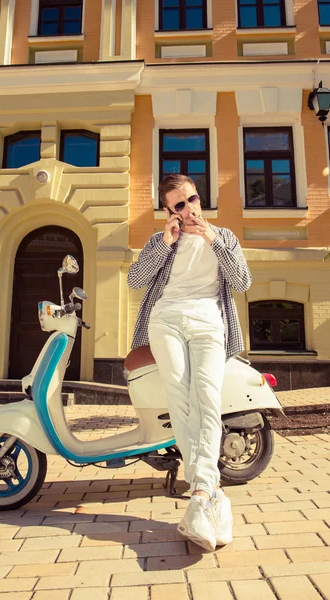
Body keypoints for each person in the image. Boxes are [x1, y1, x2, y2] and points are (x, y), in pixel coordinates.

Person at [127, 174, 252, 551]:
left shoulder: (224, 236)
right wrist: (165, 244)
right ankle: (207, 492)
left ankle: (203, 493)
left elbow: (242, 281)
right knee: (179, 396)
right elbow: (136, 279)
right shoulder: (160, 240)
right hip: (165, 319)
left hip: (209, 322)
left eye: (193, 199)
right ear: (168, 211)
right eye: (179, 205)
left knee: (207, 397)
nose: (190, 208)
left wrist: (212, 239)